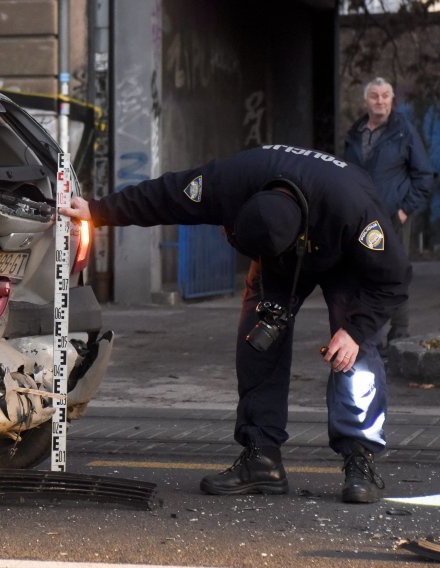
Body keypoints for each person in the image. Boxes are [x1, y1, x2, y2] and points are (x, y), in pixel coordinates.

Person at [60, 145, 411, 504]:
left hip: (346, 257)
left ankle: (359, 457)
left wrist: (354, 331)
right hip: (279, 261)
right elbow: (165, 196)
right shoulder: (230, 181)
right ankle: (262, 459)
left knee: (354, 352)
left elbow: (395, 280)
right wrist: (97, 211)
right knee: (258, 338)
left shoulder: (357, 211)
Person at [344, 77, 433, 345]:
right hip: (362, 217)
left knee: (395, 273)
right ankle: (373, 335)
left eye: (385, 96)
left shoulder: (404, 130)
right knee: (365, 272)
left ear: (392, 100)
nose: (380, 101)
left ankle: (400, 332)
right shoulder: (356, 132)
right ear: (366, 101)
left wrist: (405, 209)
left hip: (394, 216)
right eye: (374, 96)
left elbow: (425, 175)